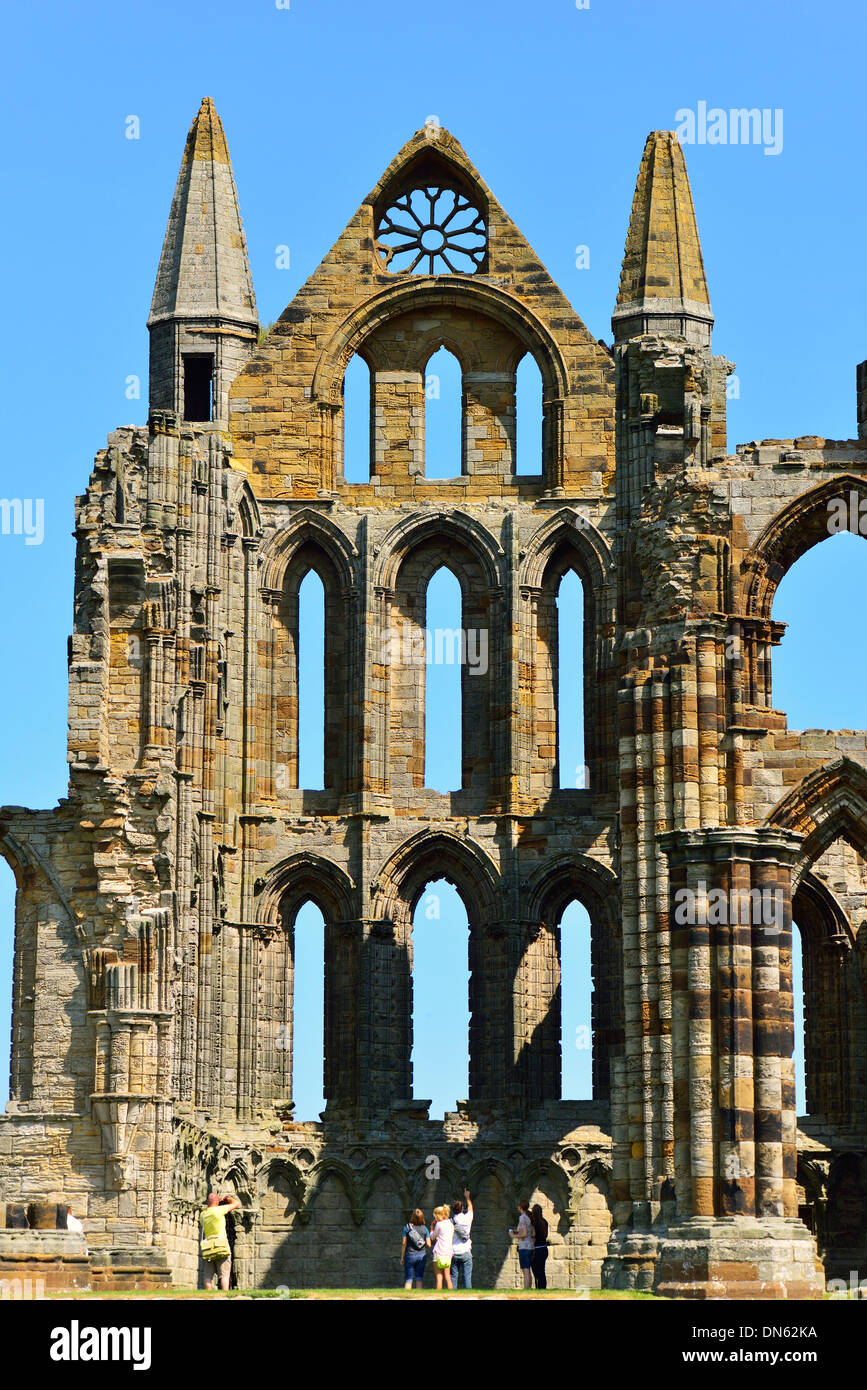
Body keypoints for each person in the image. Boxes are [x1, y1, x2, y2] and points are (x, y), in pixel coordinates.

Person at [200, 1191, 241, 1291]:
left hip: (208, 1247)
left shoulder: (202, 1215)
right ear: (217, 1201)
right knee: (224, 1275)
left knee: (207, 1277)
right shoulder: (219, 1210)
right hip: (221, 1246)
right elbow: (236, 1204)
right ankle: (223, 1296)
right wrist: (227, 1199)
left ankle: (208, 1297)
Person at [401, 1209, 430, 1289]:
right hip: (421, 1255)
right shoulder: (425, 1229)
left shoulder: (406, 1228)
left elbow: (404, 1243)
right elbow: (429, 1244)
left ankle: (407, 1296)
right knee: (419, 1278)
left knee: (408, 1278)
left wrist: (402, 1257)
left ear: (412, 1217)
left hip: (409, 1255)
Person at [450, 1188, 473, 1290]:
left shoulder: (451, 1221)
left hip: (454, 1251)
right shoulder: (467, 1217)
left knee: (453, 1277)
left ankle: (452, 1296)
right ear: (462, 1208)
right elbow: (471, 1208)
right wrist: (467, 1197)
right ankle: (468, 1296)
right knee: (467, 1277)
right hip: (465, 1250)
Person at [508, 1198, 534, 1290]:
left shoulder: (522, 1217)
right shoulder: (529, 1217)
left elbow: (524, 1234)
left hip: (524, 1247)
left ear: (520, 1207)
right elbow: (529, 1232)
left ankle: (526, 1289)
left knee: (525, 1270)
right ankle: (529, 1288)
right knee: (528, 1269)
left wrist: (513, 1235)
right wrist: (516, 1231)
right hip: (530, 1246)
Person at [430, 1204, 454, 1290]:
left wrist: (432, 1228)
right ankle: (451, 1296)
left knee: (439, 1277)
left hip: (439, 1252)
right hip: (448, 1252)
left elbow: (432, 1237)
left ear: (439, 1215)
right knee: (448, 1276)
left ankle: (438, 1296)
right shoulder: (450, 1224)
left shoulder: (439, 1224)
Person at [530, 1203, 549, 1289]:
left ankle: (538, 1288)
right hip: (544, 1249)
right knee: (542, 1271)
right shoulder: (544, 1222)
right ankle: (542, 1288)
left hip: (536, 1249)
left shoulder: (534, 1223)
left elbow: (533, 1237)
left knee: (536, 1272)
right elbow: (545, 1236)